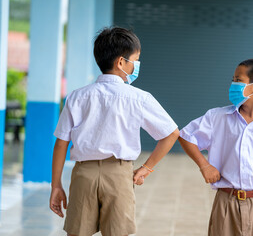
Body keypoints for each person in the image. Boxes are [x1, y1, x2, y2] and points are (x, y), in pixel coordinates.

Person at [49, 27, 179, 236]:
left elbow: (61, 143)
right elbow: (171, 133)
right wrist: (147, 167)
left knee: (77, 233)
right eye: (135, 60)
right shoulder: (139, 98)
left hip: (84, 174)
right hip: (119, 175)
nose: (137, 66)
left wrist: (56, 186)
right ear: (121, 62)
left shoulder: (76, 97)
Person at [178, 59, 253, 236]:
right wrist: (204, 165)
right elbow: (186, 136)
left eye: (238, 80)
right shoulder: (217, 117)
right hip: (226, 203)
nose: (232, 85)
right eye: (233, 79)